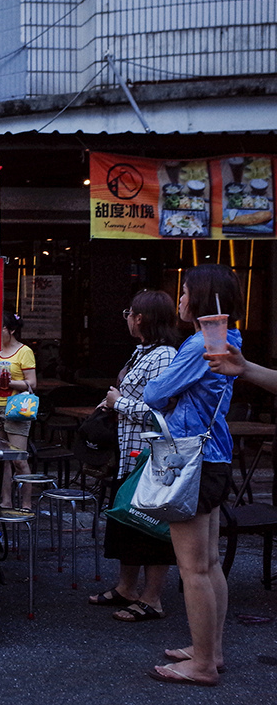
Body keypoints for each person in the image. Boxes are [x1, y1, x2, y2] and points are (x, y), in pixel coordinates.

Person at [140, 264, 242, 687]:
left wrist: (166, 391)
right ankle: (211, 652)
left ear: (201, 298)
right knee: (210, 561)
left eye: (183, 292)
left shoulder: (200, 343)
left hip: (191, 460)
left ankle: (201, 664)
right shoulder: (227, 339)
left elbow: (153, 393)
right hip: (215, 456)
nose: (179, 300)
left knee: (193, 568)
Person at [88, 289, 179, 622]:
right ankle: (126, 588)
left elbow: (163, 410)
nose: (126, 317)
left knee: (149, 525)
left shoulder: (165, 356)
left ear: (140, 317)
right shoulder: (143, 351)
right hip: (127, 452)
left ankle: (152, 598)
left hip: (149, 455)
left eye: (129, 312)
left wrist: (118, 403)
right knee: (126, 521)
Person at [0, 312, 38, 510]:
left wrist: (10, 382)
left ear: (11, 330)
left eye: (0, 328)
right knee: (2, 458)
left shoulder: (24, 351)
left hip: (17, 407)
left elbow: (33, 383)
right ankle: (6, 500)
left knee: (19, 459)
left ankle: (26, 503)